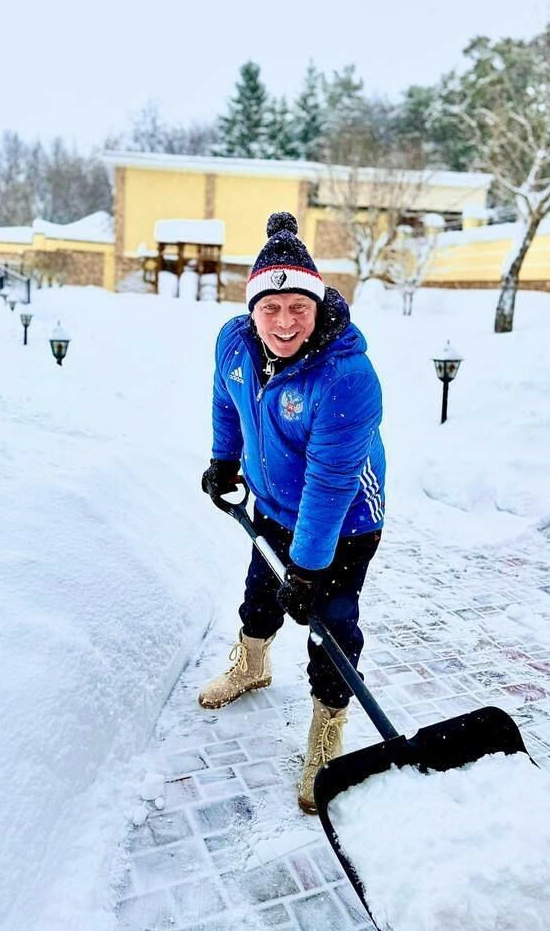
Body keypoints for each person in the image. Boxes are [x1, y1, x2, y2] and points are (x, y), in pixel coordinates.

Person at [199, 211, 386, 813]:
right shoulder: (234, 342)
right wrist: (225, 461)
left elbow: (331, 485)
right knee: (261, 592)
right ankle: (252, 663)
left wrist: (307, 570)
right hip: (273, 501)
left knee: (329, 623)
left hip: (348, 516)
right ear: (253, 310)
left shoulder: (347, 377)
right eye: (270, 309)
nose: (284, 322)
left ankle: (327, 732)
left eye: (297, 309)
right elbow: (226, 403)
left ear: (317, 305)